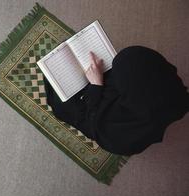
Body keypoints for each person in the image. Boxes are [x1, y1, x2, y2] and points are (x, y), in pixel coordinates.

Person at [43, 46, 189, 156]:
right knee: (126, 69)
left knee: (62, 102)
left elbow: (93, 118)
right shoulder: (175, 93)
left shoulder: (116, 136)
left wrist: (96, 86)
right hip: (144, 105)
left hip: (102, 122)